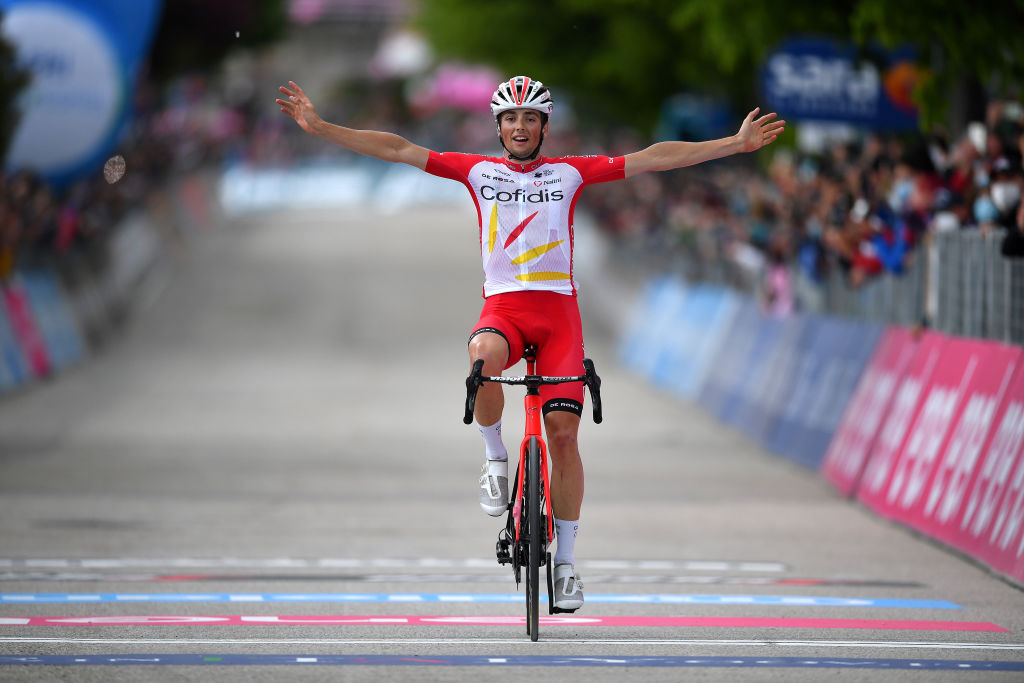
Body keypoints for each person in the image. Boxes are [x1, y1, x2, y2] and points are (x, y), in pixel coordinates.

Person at [277, 75, 785, 611]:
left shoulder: (570, 173)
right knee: (483, 359)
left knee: (565, 438)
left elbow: (653, 157)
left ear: (544, 126)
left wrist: (732, 144)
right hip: (505, 309)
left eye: (530, 118)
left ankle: (565, 563)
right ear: (499, 127)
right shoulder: (477, 171)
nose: (520, 126)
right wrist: (320, 126)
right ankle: (496, 456)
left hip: (559, 314)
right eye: (511, 118)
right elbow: (399, 149)